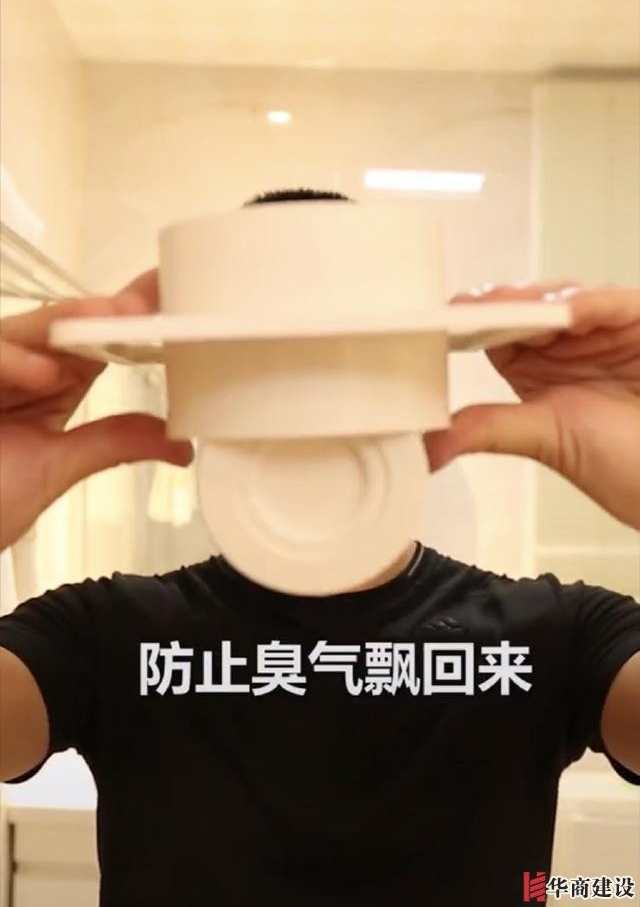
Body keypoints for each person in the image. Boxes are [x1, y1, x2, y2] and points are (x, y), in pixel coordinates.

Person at [0, 189, 638, 907]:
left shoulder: (555, 636)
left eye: (349, 354)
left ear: (421, 368)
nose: (309, 403)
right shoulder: (104, 634)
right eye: (263, 358)